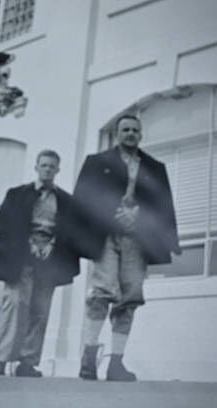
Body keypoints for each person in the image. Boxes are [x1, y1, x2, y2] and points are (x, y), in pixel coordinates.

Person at [73, 114, 181, 381]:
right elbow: (83, 199)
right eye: (125, 130)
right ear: (117, 133)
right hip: (105, 236)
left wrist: (141, 218)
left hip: (137, 238)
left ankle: (116, 364)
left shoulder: (154, 168)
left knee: (130, 297)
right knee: (101, 292)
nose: (130, 133)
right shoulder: (97, 163)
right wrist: (112, 215)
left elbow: (163, 205)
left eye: (135, 130)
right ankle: (88, 360)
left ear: (141, 134)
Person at [0, 150, 80, 377]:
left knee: (40, 309)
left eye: (52, 167)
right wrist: (26, 243)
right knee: (15, 303)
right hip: (20, 255)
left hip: (49, 258)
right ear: (36, 167)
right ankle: (1, 360)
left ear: (58, 170)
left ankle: (27, 362)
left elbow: (69, 230)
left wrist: (53, 244)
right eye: (44, 165)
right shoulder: (17, 194)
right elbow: (3, 226)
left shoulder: (65, 200)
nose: (48, 170)